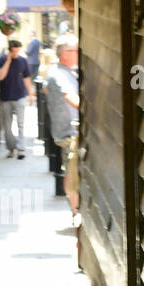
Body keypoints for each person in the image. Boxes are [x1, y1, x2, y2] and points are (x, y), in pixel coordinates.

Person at [43, 33, 80, 216]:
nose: (79, 53)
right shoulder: (60, 75)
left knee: (70, 170)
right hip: (69, 131)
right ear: (65, 53)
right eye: (76, 50)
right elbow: (74, 101)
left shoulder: (61, 72)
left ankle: (75, 210)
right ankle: (75, 213)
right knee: (71, 174)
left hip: (67, 130)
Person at [0, 37, 35, 158]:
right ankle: (11, 148)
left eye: (17, 51)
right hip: (5, 97)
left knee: (21, 124)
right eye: (13, 51)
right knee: (7, 126)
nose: (15, 54)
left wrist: (30, 94)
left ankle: (21, 149)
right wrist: (8, 61)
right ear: (9, 50)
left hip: (20, 96)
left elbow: (27, 78)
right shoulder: (2, 60)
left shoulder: (23, 61)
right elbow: (0, 77)